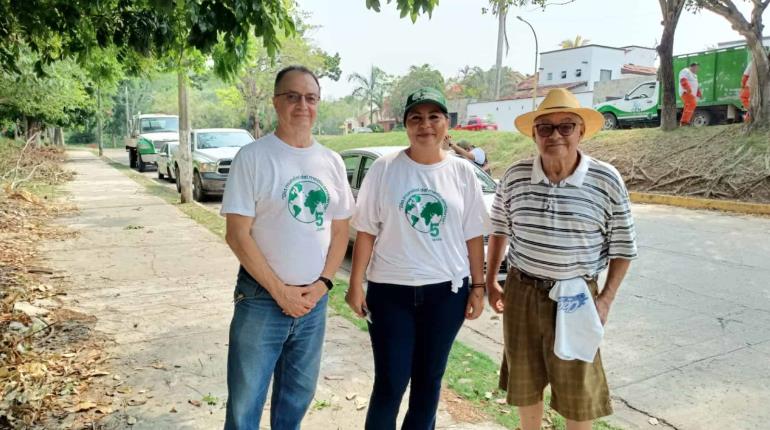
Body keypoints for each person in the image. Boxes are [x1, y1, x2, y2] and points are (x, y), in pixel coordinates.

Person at [485, 88, 638, 430]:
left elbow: (624, 248)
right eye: (545, 128)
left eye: (566, 126)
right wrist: (494, 280)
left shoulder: (606, 179)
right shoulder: (515, 176)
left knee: (577, 392)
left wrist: (605, 300)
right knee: (525, 381)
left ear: (581, 131)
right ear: (534, 134)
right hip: (521, 290)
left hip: (577, 296)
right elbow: (499, 230)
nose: (555, 135)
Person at [345, 86, 490, 430]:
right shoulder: (384, 169)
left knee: (428, 383)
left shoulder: (462, 173)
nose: (425, 125)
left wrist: (479, 286)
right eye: (416, 118)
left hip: (447, 295)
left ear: (445, 123)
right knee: (391, 383)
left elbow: (473, 233)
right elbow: (365, 230)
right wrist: (355, 283)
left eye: (433, 117)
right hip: (390, 291)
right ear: (406, 124)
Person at [220, 65, 354, 430]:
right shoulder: (253, 158)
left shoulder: (331, 161)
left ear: (318, 104)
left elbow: (340, 229)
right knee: (246, 403)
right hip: (261, 299)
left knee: (297, 396)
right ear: (276, 102)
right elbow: (237, 234)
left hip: (314, 301)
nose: (302, 105)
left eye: (310, 98)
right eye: (292, 96)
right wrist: (280, 292)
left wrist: (324, 283)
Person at [678, 62, 701, 126]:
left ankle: (683, 122)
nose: (697, 69)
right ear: (693, 67)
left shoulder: (695, 75)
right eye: (696, 68)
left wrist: (698, 93)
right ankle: (684, 122)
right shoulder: (685, 71)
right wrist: (687, 88)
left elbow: (696, 85)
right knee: (692, 104)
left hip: (691, 94)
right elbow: (683, 80)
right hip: (686, 92)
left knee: (687, 107)